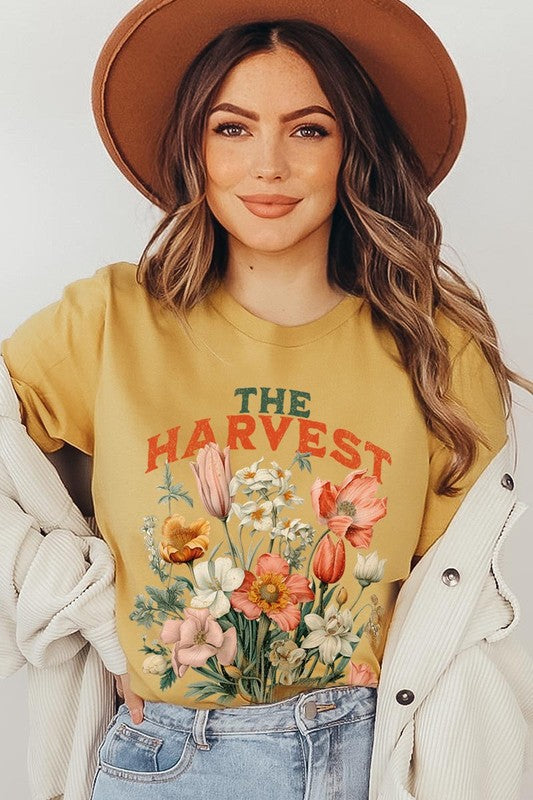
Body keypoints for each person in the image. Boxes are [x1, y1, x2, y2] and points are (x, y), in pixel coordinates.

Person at [1, 1, 532, 798]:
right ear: (195, 146)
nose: (270, 166)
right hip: (168, 763)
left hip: (371, 758)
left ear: (352, 148)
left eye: (308, 129)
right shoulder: (108, 322)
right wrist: (79, 602)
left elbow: (456, 620)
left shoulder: (434, 348)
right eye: (233, 128)